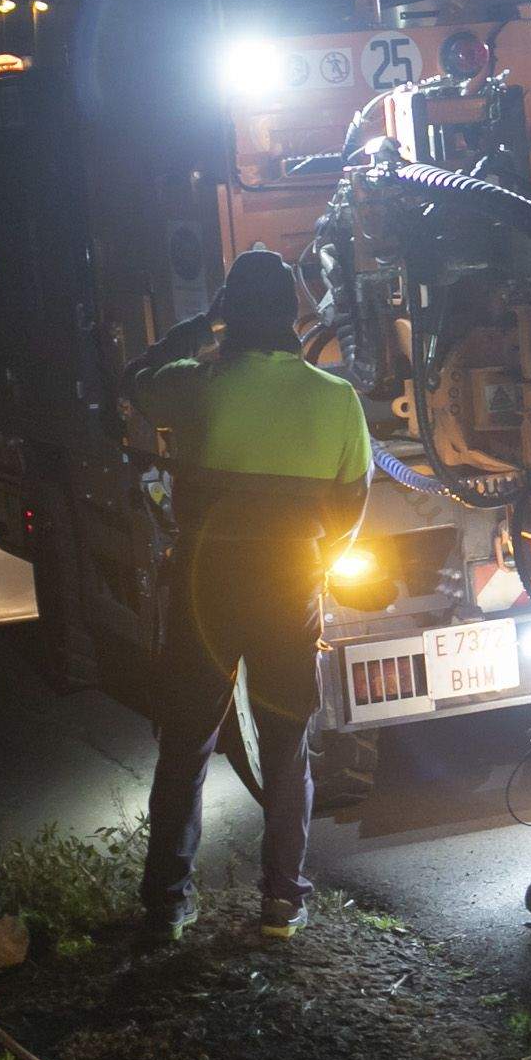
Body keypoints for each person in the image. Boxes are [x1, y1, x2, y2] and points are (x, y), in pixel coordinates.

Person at [129, 248, 372, 942]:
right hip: (289, 588)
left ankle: (168, 904)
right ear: (294, 316)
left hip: (205, 594)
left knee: (185, 747)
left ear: (228, 314)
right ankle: (282, 902)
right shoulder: (336, 400)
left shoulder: (196, 385)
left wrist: (195, 329)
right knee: (287, 743)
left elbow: (134, 379)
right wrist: (315, 561)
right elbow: (351, 510)